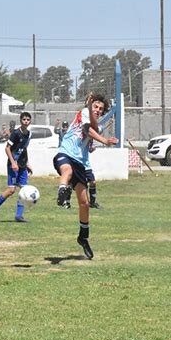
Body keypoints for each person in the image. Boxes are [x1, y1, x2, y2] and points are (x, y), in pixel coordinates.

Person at [53, 94, 118, 259]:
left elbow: (94, 130)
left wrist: (98, 141)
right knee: (66, 172)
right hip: (65, 154)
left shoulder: (99, 128)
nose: (97, 110)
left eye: (100, 109)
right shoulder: (83, 112)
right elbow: (87, 129)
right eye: (95, 107)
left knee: (85, 203)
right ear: (90, 106)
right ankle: (62, 191)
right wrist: (104, 141)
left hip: (80, 163)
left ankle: (83, 237)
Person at [0, 112, 33, 223]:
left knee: (24, 190)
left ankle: (19, 216)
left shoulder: (29, 134)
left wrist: (27, 163)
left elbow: (24, 149)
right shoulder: (16, 133)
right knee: (11, 190)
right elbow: (7, 148)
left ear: (30, 121)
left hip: (22, 165)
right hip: (13, 165)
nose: (26, 121)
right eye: (24, 119)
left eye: (28, 119)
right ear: (21, 120)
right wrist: (13, 163)